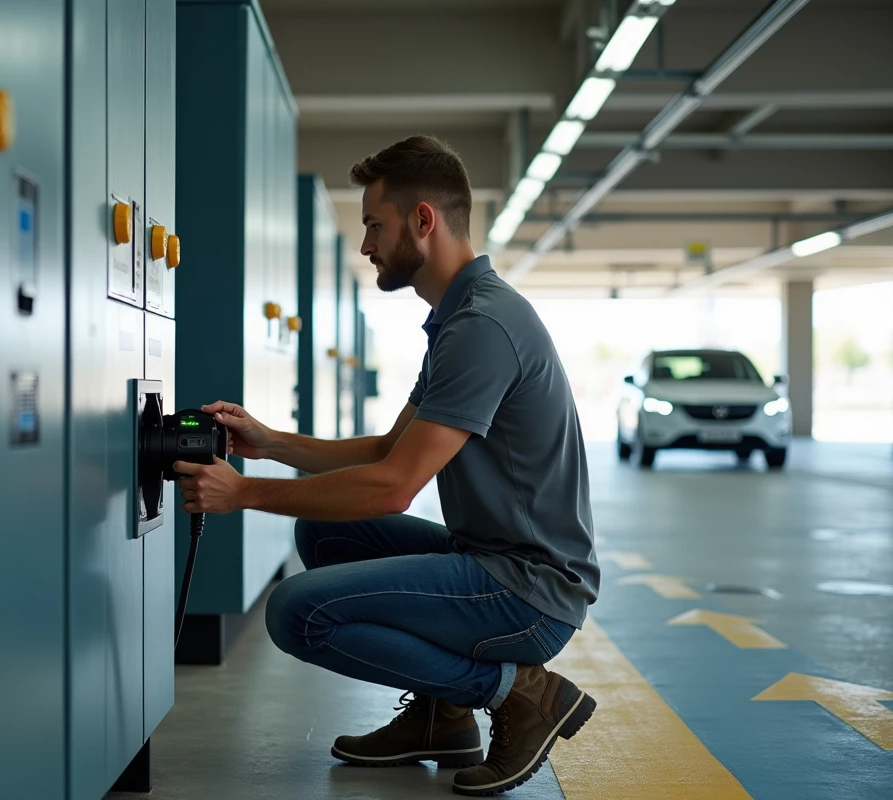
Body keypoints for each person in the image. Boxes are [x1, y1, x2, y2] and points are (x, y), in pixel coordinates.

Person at [172, 134, 599, 797]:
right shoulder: (458, 318)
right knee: (323, 534)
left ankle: (518, 693)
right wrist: (270, 440)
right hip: (494, 562)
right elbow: (384, 450)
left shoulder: (482, 327)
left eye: (375, 224)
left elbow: (396, 487)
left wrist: (243, 493)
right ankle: (442, 715)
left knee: (296, 614)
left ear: (421, 220)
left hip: (527, 594)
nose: (366, 243)